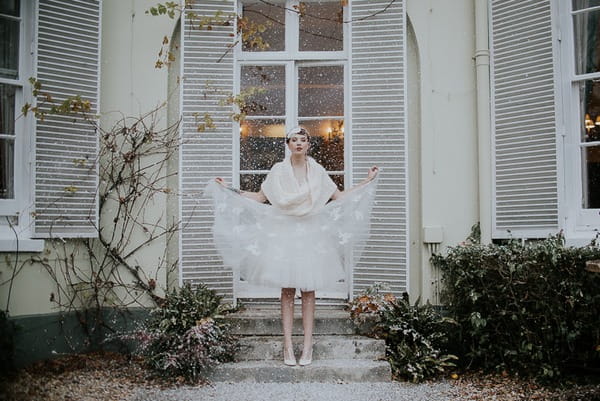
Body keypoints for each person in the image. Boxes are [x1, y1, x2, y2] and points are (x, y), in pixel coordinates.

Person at [210, 126, 378, 366]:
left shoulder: (318, 171)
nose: (299, 143)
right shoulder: (278, 171)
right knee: (287, 291)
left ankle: (308, 347)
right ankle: (288, 347)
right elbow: (260, 198)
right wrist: (229, 189)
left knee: (309, 292)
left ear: (309, 144)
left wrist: (367, 181)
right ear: (287, 144)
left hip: (311, 234)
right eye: (294, 140)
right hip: (284, 234)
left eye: (303, 139)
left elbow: (339, 197)